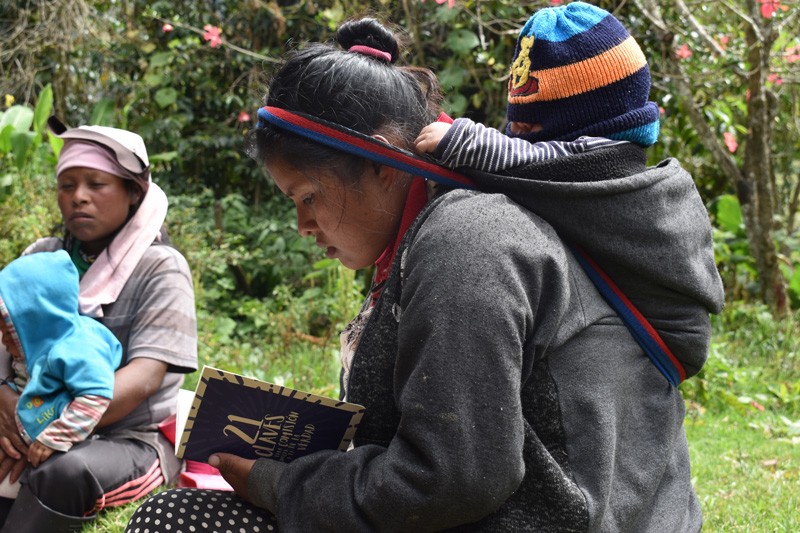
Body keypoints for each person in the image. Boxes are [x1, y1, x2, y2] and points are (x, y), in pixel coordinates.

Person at [127, 14, 716, 532]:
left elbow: (453, 478)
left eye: (307, 196)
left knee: (173, 520)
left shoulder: (468, 239)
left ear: (383, 160)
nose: (303, 225)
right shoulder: (454, 227)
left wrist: (280, 483)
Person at [415, 0, 725, 386]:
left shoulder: (600, 158)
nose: (517, 134)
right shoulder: (602, 146)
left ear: (592, 118)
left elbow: (536, 159)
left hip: (669, 332)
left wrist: (462, 139)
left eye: (531, 127)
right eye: (517, 125)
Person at [0, 118, 198, 532]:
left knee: (64, 472)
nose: (79, 197)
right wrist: (7, 404)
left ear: (133, 193)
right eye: (67, 185)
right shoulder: (42, 257)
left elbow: (144, 378)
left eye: (96, 184)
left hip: (130, 437)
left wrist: (43, 422)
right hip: (30, 416)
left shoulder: (160, 268)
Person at [0, 250, 122, 492]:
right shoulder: (34, 349)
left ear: (33, 322)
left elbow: (96, 395)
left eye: (8, 332)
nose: (3, 341)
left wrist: (56, 437)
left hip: (58, 439)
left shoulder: (78, 347)